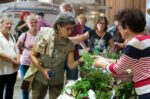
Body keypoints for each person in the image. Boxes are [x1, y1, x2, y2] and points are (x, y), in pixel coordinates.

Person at [93, 9, 150, 99]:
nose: (118, 30)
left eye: (118, 27)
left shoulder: (135, 43)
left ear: (126, 27)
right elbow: (127, 62)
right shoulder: (147, 38)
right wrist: (106, 60)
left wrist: (102, 64)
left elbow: (117, 69)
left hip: (146, 90)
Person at [25, 13, 82, 99]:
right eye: (67, 29)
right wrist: (43, 70)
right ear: (58, 26)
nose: (70, 32)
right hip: (40, 78)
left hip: (57, 80)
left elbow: (71, 65)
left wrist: (81, 60)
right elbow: (32, 55)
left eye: (72, 29)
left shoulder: (69, 44)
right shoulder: (45, 35)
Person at [60, 2, 83, 81]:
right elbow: (57, 40)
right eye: (66, 11)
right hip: (60, 56)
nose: (68, 12)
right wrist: (74, 39)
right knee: (57, 82)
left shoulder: (77, 24)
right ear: (61, 12)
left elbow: (80, 39)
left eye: (70, 10)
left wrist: (66, 39)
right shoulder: (58, 24)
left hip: (74, 55)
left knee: (72, 81)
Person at [17, 14, 38, 99]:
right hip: (25, 63)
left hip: (37, 64)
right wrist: (25, 52)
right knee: (26, 85)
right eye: (31, 22)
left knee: (36, 85)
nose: (33, 24)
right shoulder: (24, 35)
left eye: (35, 22)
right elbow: (18, 47)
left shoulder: (41, 34)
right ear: (27, 24)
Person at [0, 16, 20, 99]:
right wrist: (14, 61)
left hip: (13, 70)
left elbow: (17, 50)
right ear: (1, 24)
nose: (9, 25)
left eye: (10, 24)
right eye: (7, 23)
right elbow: (0, 54)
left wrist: (18, 61)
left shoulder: (11, 36)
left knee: (10, 90)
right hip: (1, 71)